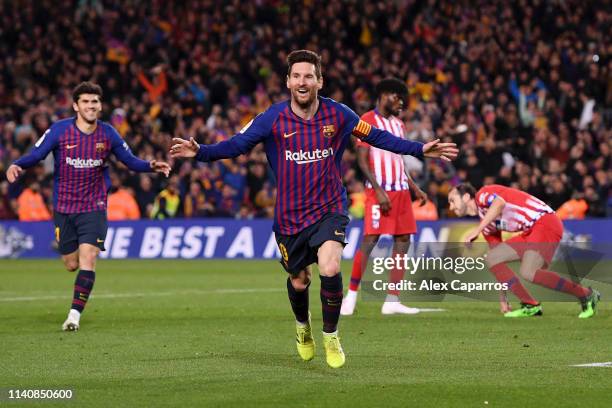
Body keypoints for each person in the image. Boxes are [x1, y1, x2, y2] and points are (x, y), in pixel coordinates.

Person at [171, 50, 458, 368]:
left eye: (309, 76)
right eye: (296, 76)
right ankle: (302, 327)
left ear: (319, 81)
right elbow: (237, 145)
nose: (302, 81)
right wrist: (201, 152)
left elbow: (376, 136)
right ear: (288, 81)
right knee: (299, 280)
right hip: (289, 217)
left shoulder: (340, 115)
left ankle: (331, 335)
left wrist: (419, 148)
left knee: (331, 266)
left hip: (329, 208)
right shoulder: (272, 118)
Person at [6, 81, 171, 331]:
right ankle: (69, 261)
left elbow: (129, 160)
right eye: (85, 101)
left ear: (100, 105)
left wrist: (150, 165)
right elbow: (37, 153)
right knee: (71, 263)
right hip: (64, 207)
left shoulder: (108, 133)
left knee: (89, 257)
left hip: (94, 206)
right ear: (76, 106)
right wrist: (18, 164)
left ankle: (74, 316)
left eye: (95, 101)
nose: (91, 105)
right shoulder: (59, 131)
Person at [341, 78, 428, 316]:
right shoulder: (366, 121)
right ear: (385, 95)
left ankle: (392, 299)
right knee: (370, 241)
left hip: (401, 190)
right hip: (379, 190)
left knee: (403, 241)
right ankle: (350, 297)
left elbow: (398, 159)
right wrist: (378, 190)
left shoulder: (399, 125)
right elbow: (362, 158)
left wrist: (413, 187)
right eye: (397, 97)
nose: (401, 103)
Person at [447, 183, 600, 318]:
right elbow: (499, 267)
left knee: (529, 271)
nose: (451, 207)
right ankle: (530, 305)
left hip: (545, 221)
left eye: (452, 201)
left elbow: (499, 203)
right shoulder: (487, 226)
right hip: (530, 232)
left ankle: (587, 295)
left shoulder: (482, 195)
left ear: (466, 196)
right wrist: (503, 298)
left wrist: (477, 230)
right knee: (492, 257)